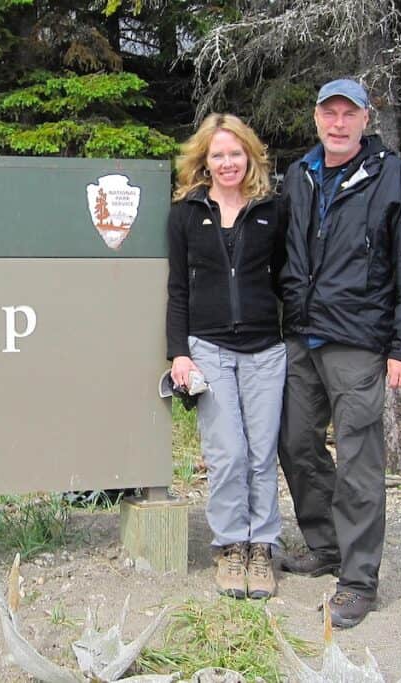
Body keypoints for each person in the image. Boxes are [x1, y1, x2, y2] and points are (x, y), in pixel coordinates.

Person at [277, 79, 401, 628]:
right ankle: (326, 547)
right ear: (316, 118)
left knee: (360, 463)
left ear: (366, 119)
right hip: (301, 336)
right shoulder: (299, 175)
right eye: (329, 113)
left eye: (349, 113)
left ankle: (359, 578)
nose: (338, 123)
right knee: (295, 442)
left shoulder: (392, 176)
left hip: (360, 341)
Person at [166, 114, 287, 599]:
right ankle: (230, 546)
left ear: (249, 156)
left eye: (235, 153)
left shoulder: (272, 210)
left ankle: (263, 548)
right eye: (218, 154)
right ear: (204, 161)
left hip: (265, 350)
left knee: (261, 454)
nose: (227, 162)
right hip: (209, 348)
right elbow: (177, 289)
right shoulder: (185, 214)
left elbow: (287, 279)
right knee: (227, 454)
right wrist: (178, 353)